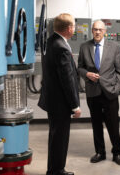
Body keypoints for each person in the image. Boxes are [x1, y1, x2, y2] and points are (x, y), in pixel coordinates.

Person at [38, 13, 82, 175]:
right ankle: (57, 170)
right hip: (60, 103)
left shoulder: (50, 42)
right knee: (60, 138)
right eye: (74, 27)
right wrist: (75, 105)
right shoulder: (62, 47)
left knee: (55, 136)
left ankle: (54, 168)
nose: (74, 29)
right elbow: (67, 79)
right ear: (69, 28)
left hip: (52, 100)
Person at [78, 20, 120, 166]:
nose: (97, 32)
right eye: (95, 29)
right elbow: (79, 67)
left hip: (110, 92)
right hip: (93, 92)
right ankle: (100, 152)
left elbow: (119, 70)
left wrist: (117, 88)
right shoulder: (84, 46)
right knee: (96, 124)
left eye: (100, 30)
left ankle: (117, 152)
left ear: (105, 31)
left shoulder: (114, 46)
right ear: (92, 31)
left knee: (113, 125)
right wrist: (87, 74)